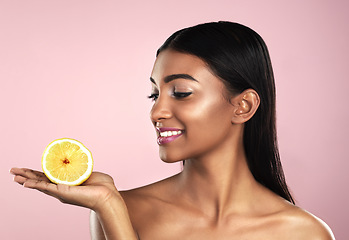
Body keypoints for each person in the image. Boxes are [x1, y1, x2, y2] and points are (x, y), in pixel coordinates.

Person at [10, 21, 334, 239]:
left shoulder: (302, 232)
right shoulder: (122, 210)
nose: (157, 111)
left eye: (180, 92)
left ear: (243, 106)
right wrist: (110, 208)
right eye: (154, 94)